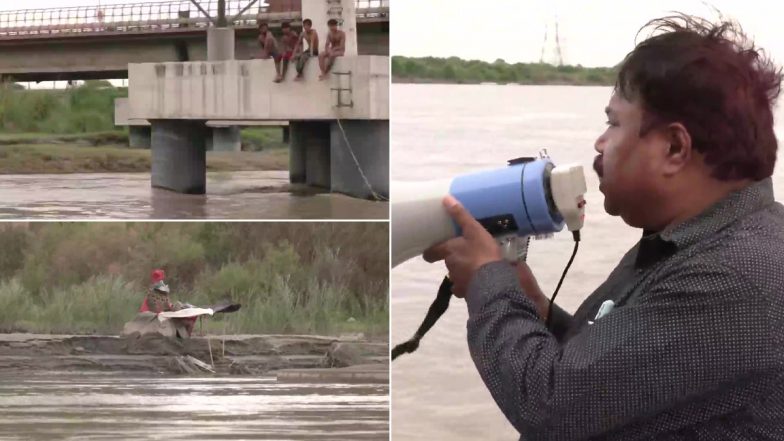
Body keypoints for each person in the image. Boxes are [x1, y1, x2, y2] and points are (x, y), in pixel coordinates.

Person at [423, 15, 784, 440]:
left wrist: (488, 282)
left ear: (673, 148)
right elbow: (612, 382)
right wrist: (532, 306)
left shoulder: (734, 276)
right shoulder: (699, 241)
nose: (600, 143)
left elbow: (550, 406)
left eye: (613, 123)